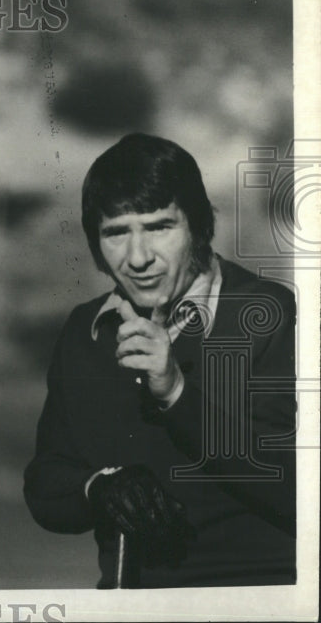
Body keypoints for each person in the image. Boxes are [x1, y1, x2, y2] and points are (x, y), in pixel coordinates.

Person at [24, 133, 296, 588]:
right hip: (127, 599)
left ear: (199, 225)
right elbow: (45, 487)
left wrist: (175, 392)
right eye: (115, 233)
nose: (138, 258)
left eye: (159, 227)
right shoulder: (85, 330)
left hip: (255, 595)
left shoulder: (266, 312)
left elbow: (295, 490)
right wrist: (100, 488)